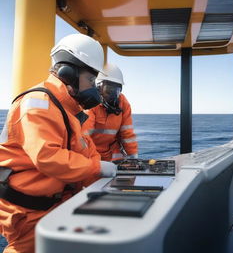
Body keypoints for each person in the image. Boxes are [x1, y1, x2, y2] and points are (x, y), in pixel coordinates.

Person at [0, 34, 117, 253]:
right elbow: (48, 157)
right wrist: (97, 167)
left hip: (52, 201)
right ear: (68, 73)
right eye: (91, 81)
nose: (93, 88)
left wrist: (102, 173)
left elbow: (84, 147)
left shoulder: (68, 110)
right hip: (27, 208)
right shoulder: (39, 104)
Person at [83, 64, 138, 162]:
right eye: (108, 90)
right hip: (91, 154)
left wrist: (134, 158)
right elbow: (84, 137)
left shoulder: (123, 103)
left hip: (112, 155)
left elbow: (127, 134)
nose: (112, 96)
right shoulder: (90, 103)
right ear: (98, 88)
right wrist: (94, 163)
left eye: (116, 91)